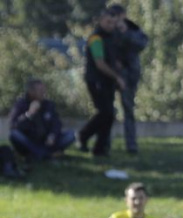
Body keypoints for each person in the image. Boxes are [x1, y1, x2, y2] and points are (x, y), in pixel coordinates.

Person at [78, 8, 125, 157]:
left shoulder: (111, 37)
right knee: (105, 112)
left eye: (113, 23)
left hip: (107, 82)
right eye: (108, 22)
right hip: (97, 81)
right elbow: (100, 63)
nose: (111, 25)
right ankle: (83, 136)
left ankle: (100, 148)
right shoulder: (96, 38)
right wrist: (117, 77)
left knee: (109, 115)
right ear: (100, 21)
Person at [109, 4, 148, 155]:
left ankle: (131, 146)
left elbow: (142, 44)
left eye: (117, 15)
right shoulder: (108, 29)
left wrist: (125, 33)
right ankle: (105, 144)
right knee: (107, 111)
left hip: (129, 75)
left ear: (123, 15)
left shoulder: (132, 29)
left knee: (128, 110)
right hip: (111, 74)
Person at [8, 79, 75, 161]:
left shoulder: (49, 104)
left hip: (47, 142)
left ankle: (39, 154)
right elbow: (13, 125)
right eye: (40, 90)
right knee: (14, 134)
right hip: (29, 142)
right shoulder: (20, 104)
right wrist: (29, 114)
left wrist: (52, 135)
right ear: (31, 92)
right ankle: (46, 154)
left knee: (71, 134)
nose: (44, 92)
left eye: (44, 90)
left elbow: (57, 123)